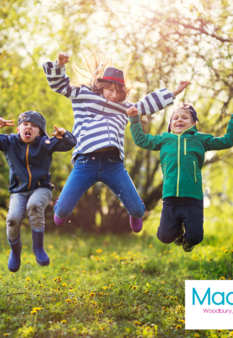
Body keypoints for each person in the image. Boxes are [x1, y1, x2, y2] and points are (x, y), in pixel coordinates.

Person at [42, 50, 189, 232]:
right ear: (101, 86)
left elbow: (147, 105)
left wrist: (175, 91)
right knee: (63, 212)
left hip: (113, 164)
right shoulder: (83, 96)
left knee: (137, 210)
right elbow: (60, 85)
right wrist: (59, 65)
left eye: (118, 91)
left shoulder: (125, 107)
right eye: (110, 89)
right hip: (85, 162)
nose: (113, 94)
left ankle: (134, 210)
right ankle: (61, 207)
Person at [128, 101, 233, 251]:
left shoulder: (200, 139)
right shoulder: (164, 139)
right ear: (170, 124)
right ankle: (177, 232)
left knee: (195, 237)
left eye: (184, 117)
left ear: (193, 123)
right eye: (175, 118)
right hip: (171, 198)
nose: (179, 120)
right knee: (164, 236)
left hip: (193, 198)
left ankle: (189, 240)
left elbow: (227, 141)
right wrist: (134, 119)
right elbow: (141, 140)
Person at [0, 111, 76, 271]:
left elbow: (71, 143)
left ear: (40, 132)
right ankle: (15, 252)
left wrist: (64, 134)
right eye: (25, 124)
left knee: (35, 206)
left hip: (41, 188)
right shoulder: (10, 142)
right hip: (18, 191)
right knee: (13, 218)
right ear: (18, 129)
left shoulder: (45, 143)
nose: (28, 127)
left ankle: (38, 248)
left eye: (34, 126)